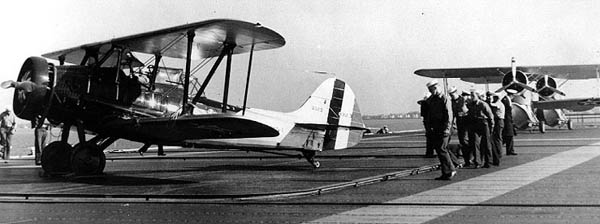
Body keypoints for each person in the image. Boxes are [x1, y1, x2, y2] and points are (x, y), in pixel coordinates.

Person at [424, 80, 456, 180]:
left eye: (432, 89)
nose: (431, 91)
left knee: (442, 148)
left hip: (444, 128)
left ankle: (450, 169)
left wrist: (447, 129)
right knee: (439, 149)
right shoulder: (433, 99)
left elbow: (449, 114)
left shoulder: (444, 98)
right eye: (429, 90)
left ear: (436, 87)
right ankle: (446, 172)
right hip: (436, 128)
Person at [467, 90, 494, 168]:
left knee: (486, 143)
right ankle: (477, 162)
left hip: (483, 123)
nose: (471, 98)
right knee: (475, 143)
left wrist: (492, 125)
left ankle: (488, 161)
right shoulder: (469, 105)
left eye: (473, 96)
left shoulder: (483, 104)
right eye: (471, 96)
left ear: (477, 96)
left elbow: (490, 115)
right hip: (475, 124)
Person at [488, 91, 504, 166]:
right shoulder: (499, 103)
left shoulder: (498, 103)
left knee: (498, 138)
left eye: (494, 97)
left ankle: (499, 152)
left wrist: (487, 102)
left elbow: (493, 106)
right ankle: (499, 151)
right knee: (497, 137)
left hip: (499, 121)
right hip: (499, 121)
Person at [418, 92, 435, 158]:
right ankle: (430, 152)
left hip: (428, 122)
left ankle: (429, 152)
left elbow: (423, 115)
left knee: (429, 138)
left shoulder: (424, 104)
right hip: (430, 122)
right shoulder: (429, 105)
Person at [502, 89, 517, 155]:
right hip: (507, 120)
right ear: (512, 95)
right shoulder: (505, 100)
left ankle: (510, 150)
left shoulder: (507, 100)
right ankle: (509, 150)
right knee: (508, 135)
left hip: (508, 120)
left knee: (509, 135)